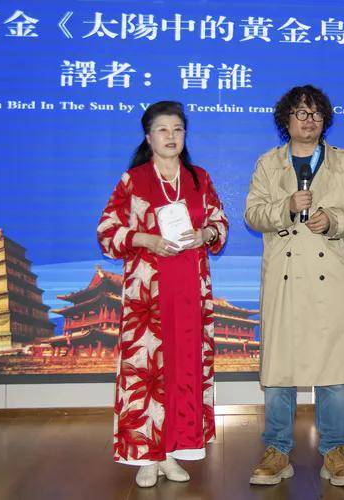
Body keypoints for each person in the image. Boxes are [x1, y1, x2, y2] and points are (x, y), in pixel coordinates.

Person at [244, 85, 344, 487]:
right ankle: (277, 450)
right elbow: (252, 214)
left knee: (332, 370)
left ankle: (334, 451)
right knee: (279, 370)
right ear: (286, 119)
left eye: (316, 114)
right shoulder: (268, 164)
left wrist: (334, 219)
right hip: (284, 278)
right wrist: (285, 207)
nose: (309, 120)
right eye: (301, 113)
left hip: (328, 277)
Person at [97, 101, 228, 487]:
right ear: (148, 136)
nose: (171, 137)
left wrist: (206, 234)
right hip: (148, 296)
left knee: (183, 370)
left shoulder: (199, 178)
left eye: (178, 130)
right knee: (148, 372)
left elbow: (219, 222)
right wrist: (145, 239)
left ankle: (172, 452)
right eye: (163, 130)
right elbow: (107, 231)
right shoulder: (133, 180)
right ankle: (146, 457)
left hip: (190, 291)